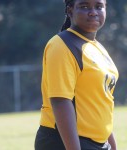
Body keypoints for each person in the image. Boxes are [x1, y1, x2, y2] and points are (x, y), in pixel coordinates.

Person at [35, 0, 119, 150]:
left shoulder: (98, 47)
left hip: (96, 143)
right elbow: (60, 101)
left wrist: (111, 145)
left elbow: (100, 105)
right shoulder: (62, 44)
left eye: (99, 6)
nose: (93, 12)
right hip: (65, 142)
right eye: (84, 6)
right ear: (70, 10)